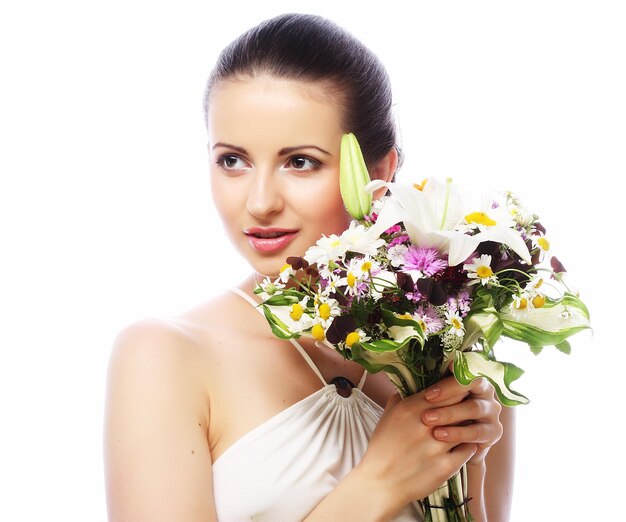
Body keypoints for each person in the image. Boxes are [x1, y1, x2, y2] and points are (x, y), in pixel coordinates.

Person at [103, 13, 513, 522]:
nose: (259, 202)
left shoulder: (453, 353)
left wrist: (469, 463)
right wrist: (378, 484)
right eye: (233, 160)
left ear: (379, 172)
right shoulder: (165, 356)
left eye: (300, 162)